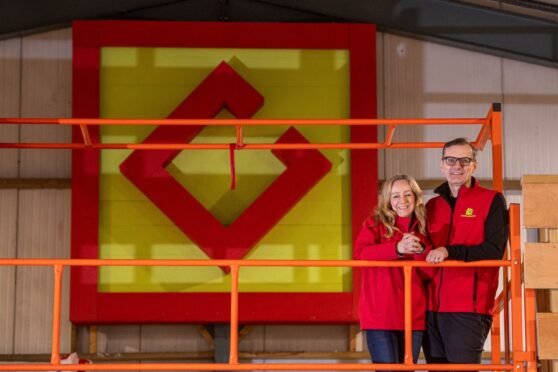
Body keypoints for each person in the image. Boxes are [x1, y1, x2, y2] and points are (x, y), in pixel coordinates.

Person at [423, 137, 509, 366]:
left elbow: (493, 250)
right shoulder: (432, 206)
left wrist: (449, 251)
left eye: (464, 160)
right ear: (442, 164)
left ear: (474, 166)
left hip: (468, 308)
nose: (457, 166)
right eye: (451, 160)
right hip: (431, 308)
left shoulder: (491, 200)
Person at [354, 174, 431, 366]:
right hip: (380, 314)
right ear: (387, 199)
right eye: (395, 196)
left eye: (407, 194)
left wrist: (422, 251)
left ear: (416, 197)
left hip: (413, 314)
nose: (402, 201)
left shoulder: (424, 229)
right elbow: (360, 253)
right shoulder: (374, 224)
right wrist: (397, 249)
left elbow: (431, 274)